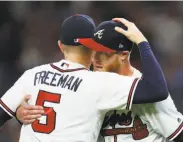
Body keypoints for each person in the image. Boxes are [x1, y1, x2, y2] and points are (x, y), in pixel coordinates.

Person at [0, 15, 169, 142]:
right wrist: (141, 41)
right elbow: (157, 90)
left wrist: (17, 114)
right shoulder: (98, 83)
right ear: (93, 48)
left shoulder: (32, 75)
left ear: (60, 45)